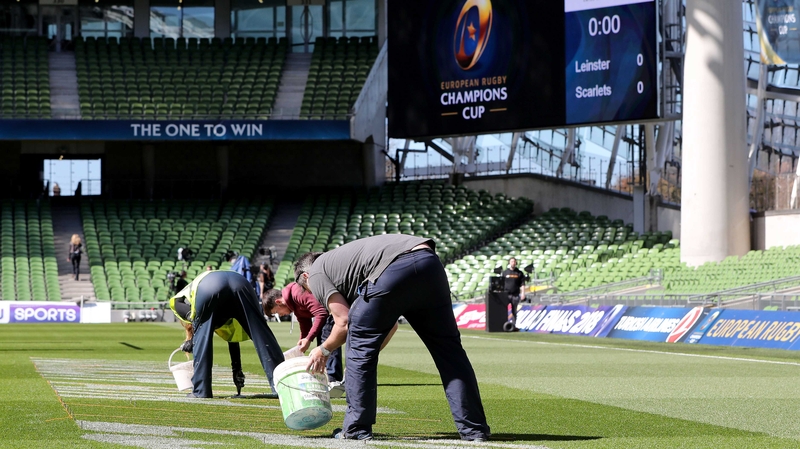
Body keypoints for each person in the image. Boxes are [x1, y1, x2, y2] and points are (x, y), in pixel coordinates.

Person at [295, 234, 490, 441]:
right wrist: (359, 360)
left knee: (358, 345)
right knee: (450, 353)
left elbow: (343, 322)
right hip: (429, 263)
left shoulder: (315, 272)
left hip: (396, 267)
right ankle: (474, 430)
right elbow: (390, 325)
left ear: (305, 278)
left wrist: (324, 350)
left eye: (308, 291)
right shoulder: (343, 264)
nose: (314, 295)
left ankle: (356, 429)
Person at [169, 270, 285, 398]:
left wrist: (194, 339)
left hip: (209, 286)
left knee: (203, 337)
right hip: (241, 283)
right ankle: (283, 384)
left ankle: (201, 391)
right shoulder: (225, 316)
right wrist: (237, 370)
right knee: (263, 334)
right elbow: (232, 339)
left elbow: (178, 305)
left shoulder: (184, 305)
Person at [501, 257, 526, 331]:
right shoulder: (505, 273)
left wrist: (523, 293)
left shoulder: (519, 273)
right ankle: (504, 325)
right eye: (512, 261)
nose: (513, 263)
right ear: (509, 263)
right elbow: (501, 283)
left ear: (516, 263)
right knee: (503, 310)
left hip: (515, 295)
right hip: (506, 294)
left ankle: (513, 326)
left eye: (514, 261)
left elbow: (522, 284)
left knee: (514, 311)